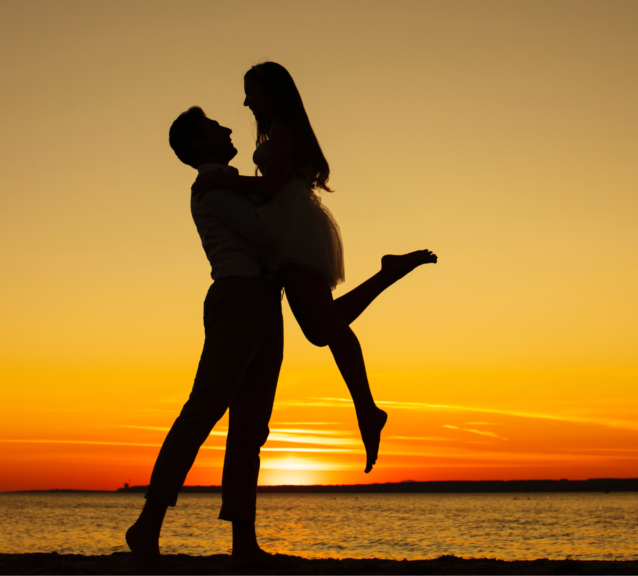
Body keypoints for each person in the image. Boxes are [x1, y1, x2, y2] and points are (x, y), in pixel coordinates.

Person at [126, 106, 433, 573]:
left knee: (251, 428)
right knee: (202, 412)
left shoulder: (228, 184)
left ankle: (243, 543)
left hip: (262, 303)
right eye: (214, 127)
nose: (228, 128)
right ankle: (148, 524)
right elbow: (266, 233)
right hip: (239, 300)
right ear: (198, 146)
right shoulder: (213, 188)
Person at [192, 62, 436, 475]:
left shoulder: (285, 127)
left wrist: (223, 182)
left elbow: (272, 187)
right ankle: (387, 274)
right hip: (289, 228)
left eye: (252, 92)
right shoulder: (279, 130)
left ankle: (367, 409)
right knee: (319, 330)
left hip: (294, 231)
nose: (247, 101)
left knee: (331, 330)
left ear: (273, 92)